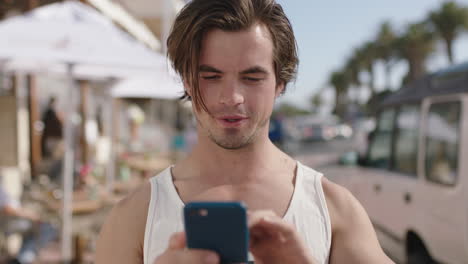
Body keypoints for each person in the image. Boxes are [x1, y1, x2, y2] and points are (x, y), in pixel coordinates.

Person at [96, 0, 394, 263]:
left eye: (252, 78)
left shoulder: (332, 209)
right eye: (211, 76)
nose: (232, 97)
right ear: (187, 80)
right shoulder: (137, 215)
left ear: (280, 83)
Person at [0, 183, 57, 264]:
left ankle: (23, 257)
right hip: (11, 221)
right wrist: (31, 216)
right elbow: (7, 208)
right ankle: (23, 258)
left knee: (42, 227)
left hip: (15, 219)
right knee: (49, 227)